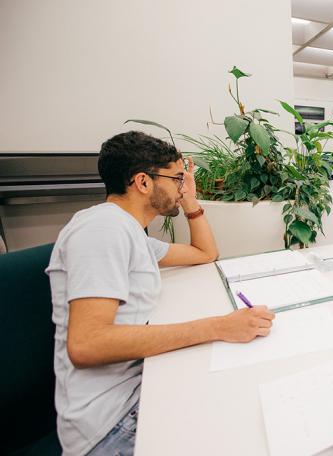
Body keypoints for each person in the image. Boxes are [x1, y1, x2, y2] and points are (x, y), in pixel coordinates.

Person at [46, 131, 276, 456]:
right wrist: (219, 326)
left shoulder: (130, 233)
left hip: (142, 390)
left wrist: (190, 201)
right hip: (113, 424)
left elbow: (205, 252)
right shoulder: (102, 230)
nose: (182, 186)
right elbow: (87, 344)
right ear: (143, 182)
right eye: (178, 178)